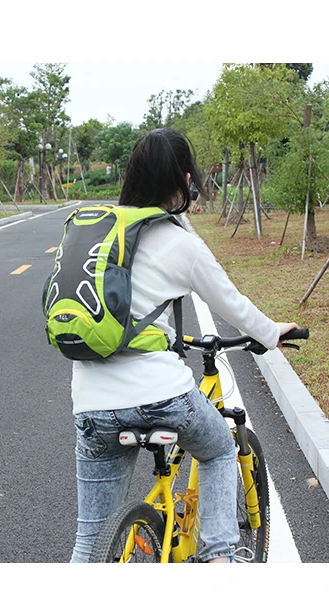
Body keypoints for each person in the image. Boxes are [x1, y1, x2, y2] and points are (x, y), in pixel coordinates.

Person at [67, 127, 296, 562]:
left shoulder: (101, 235)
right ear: (185, 180)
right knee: (220, 449)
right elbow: (231, 303)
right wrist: (272, 333)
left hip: (91, 402)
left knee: (88, 541)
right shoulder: (181, 243)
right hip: (160, 396)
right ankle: (219, 557)